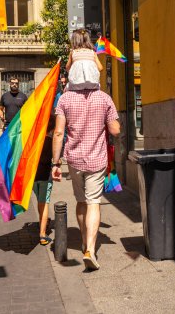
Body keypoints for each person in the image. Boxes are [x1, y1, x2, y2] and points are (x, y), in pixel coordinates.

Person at [52, 89, 120, 270]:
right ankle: (90, 249)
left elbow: (58, 133)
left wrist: (55, 163)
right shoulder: (104, 97)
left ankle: (83, 242)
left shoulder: (65, 98)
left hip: (74, 160)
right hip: (97, 158)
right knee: (94, 202)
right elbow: (115, 130)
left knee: (81, 201)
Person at [33, 114, 56, 246]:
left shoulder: (34, 141)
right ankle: (42, 234)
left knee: (40, 202)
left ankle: (43, 221)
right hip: (45, 177)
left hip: (34, 178)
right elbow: (54, 159)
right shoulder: (51, 141)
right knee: (45, 202)